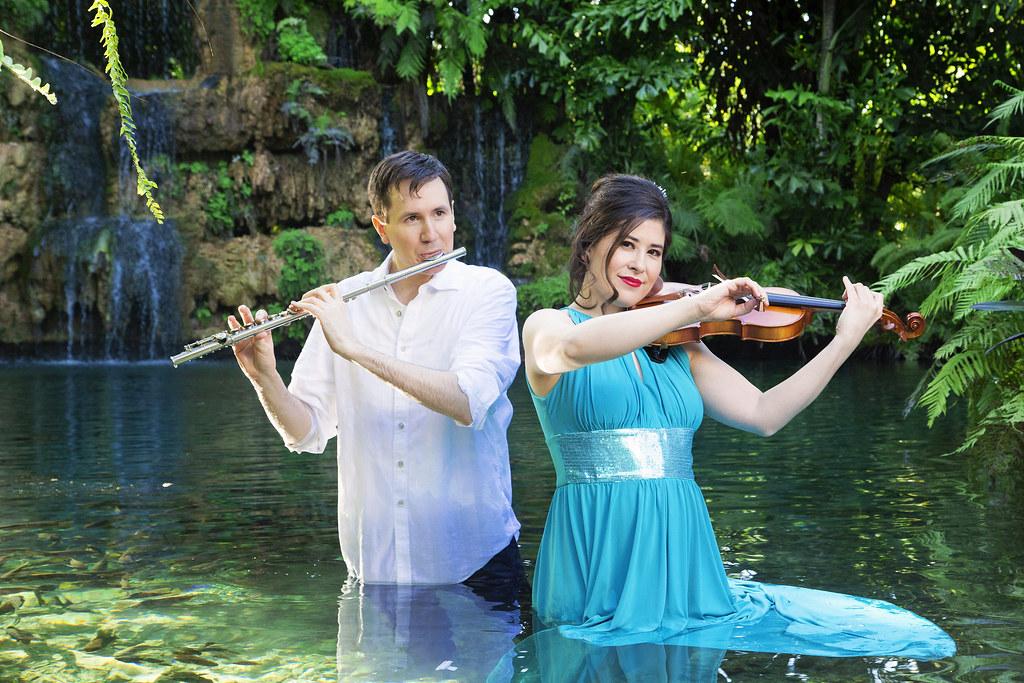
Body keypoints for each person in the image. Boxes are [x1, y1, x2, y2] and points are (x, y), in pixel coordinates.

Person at [518, 174, 955, 658]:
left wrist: (844, 340)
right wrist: (697, 304)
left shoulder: (679, 347)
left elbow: (764, 413)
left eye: (655, 252)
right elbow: (576, 348)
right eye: (627, 245)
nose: (641, 266)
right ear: (589, 243)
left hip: (680, 547)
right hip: (595, 546)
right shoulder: (549, 326)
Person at [228, 151, 523, 589]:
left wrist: (355, 348)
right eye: (412, 219)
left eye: (440, 213)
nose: (431, 234)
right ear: (381, 227)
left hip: (472, 566)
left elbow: (467, 402)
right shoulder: (345, 300)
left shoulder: (487, 292)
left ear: (454, 216)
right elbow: (304, 432)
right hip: (374, 571)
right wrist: (264, 377)